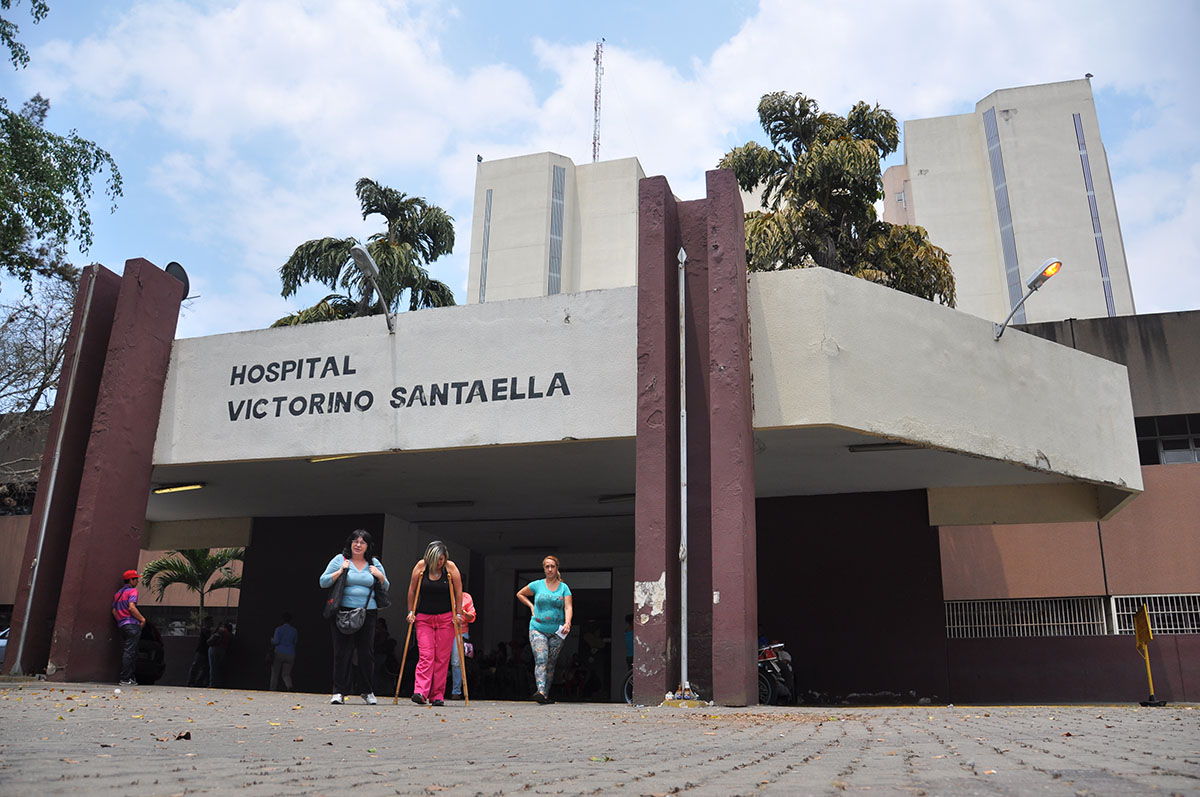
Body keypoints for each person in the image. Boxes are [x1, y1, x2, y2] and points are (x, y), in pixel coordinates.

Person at [320, 528, 389, 705]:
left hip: (367, 613)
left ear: (368, 546)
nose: (358, 545)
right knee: (342, 653)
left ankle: (367, 691)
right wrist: (340, 571)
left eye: (362, 542)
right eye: (355, 541)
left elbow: (386, 585)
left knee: (366, 653)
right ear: (350, 543)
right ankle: (339, 692)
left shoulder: (374, 563)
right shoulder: (340, 560)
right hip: (343, 612)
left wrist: (380, 575)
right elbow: (323, 581)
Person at [405, 540, 464, 707]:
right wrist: (411, 612)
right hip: (424, 618)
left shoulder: (450, 568)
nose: (439, 563)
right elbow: (412, 590)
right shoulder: (421, 567)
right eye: (437, 559)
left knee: (442, 658)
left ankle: (437, 694)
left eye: (442, 559)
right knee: (426, 655)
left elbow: (459, 592)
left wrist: (458, 614)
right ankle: (421, 692)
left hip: (446, 618)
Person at [516, 554, 573, 704]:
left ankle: (545, 695)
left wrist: (568, 622)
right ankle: (540, 690)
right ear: (544, 569)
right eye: (547, 566)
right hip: (537, 628)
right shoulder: (537, 585)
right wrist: (530, 605)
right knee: (541, 659)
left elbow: (568, 606)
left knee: (551, 662)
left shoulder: (564, 587)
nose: (549, 569)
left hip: (557, 631)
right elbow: (520, 594)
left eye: (552, 566)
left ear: (556, 568)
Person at [111, 569, 145, 685]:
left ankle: (129, 677)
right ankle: (126, 678)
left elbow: (114, 611)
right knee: (130, 652)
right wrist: (142, 619)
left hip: (122, 625)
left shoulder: (118, 594)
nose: (138, 581)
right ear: (131, 580)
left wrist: (121, 621)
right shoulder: (132, 591)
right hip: (132, 625)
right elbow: (131, 607)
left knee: (130, 651)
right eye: (136, 579)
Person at [447, 590, 476, 699]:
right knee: (441, 660)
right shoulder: (446, 595)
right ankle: (437, 690)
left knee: (456, 661)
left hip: (460, 631)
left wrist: (463, 612)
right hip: (445, 630)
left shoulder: (466, 597)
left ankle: (456, 691)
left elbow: (472, 616)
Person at [270, 611, 298, 691]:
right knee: (286, 674)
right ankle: (289, 686)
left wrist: (272, 641)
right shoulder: (294, 630)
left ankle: (272, 689)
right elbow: (295, 642)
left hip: (279, 652)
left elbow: (276, 642)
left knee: (275, 674)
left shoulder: (278, 629)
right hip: (290, 653)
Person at [188, 615, 214, 687]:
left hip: (205, 652)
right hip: (201, 651)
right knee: (196, 666)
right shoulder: (204, 630)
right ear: (207, 622)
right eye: (211, 621)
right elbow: (208, 638)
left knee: (204, 668)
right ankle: (192, 682)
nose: (212, 623)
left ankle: (198, 682)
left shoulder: (208, 631)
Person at [208, 620, 233, 687]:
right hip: (223, 650)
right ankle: (220, 683)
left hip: (215, 648)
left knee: (213, 667)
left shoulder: (221, 631)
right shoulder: (229, 634)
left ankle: (213, 683)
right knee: (220, 667)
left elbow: (212, 638)